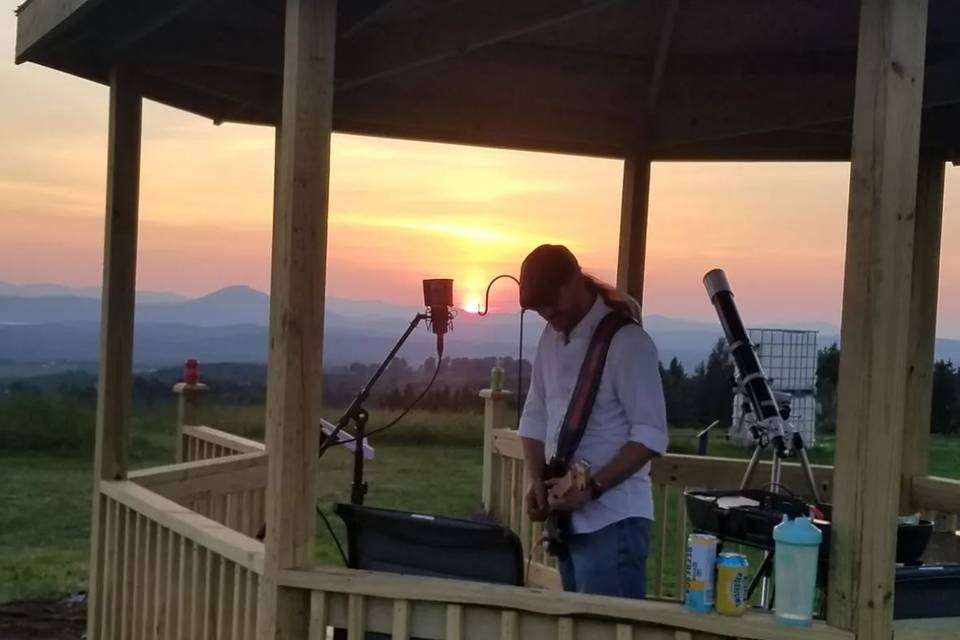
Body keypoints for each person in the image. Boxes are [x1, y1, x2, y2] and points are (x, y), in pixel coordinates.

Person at [518, 244, 668, 599]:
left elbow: (650, 435)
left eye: (549, 304)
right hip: (568, 523)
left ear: (573, 283)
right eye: (538, 309)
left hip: (614, 521)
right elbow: (535, 415)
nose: (546, 314)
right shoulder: (549, 339)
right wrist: (537, 480)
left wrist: (593, 489)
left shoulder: (628, 342)